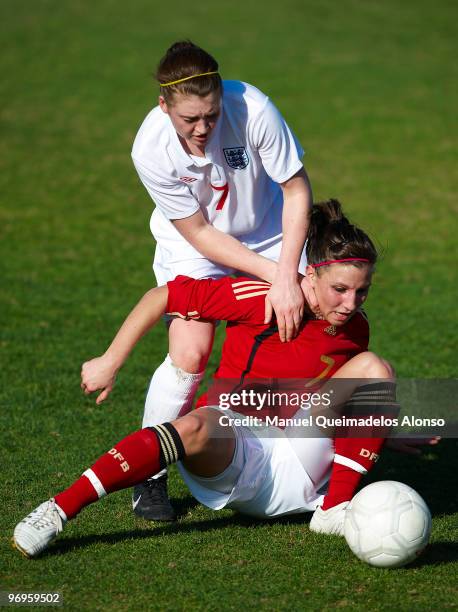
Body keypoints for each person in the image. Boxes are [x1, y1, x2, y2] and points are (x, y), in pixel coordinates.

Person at [13, 201, 436, 558]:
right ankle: (57, 510)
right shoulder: (262, 297)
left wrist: (383, 427)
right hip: (238, 449)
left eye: (361, 292)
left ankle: (333, 509)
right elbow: (164, 296)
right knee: (196, 424)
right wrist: (111, 359)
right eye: (340, 289)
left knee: (375, 368)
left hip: (304, 460)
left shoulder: (354, 327)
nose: (350, 304)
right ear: (311, 275)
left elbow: (339, 397)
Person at [130, 40, 313, 519]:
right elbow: (201, 234)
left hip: (271, 230)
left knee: (315, 318)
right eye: (189, 119)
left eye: (210, 115)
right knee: (190, 353)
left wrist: (290, 275)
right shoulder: (150, 148)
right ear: (163, 105)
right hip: (195, 244)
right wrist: (278, 279)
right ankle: (148, 477)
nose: (202, 128)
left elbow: (296, 190)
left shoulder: (254, 109)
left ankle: (323, 446)